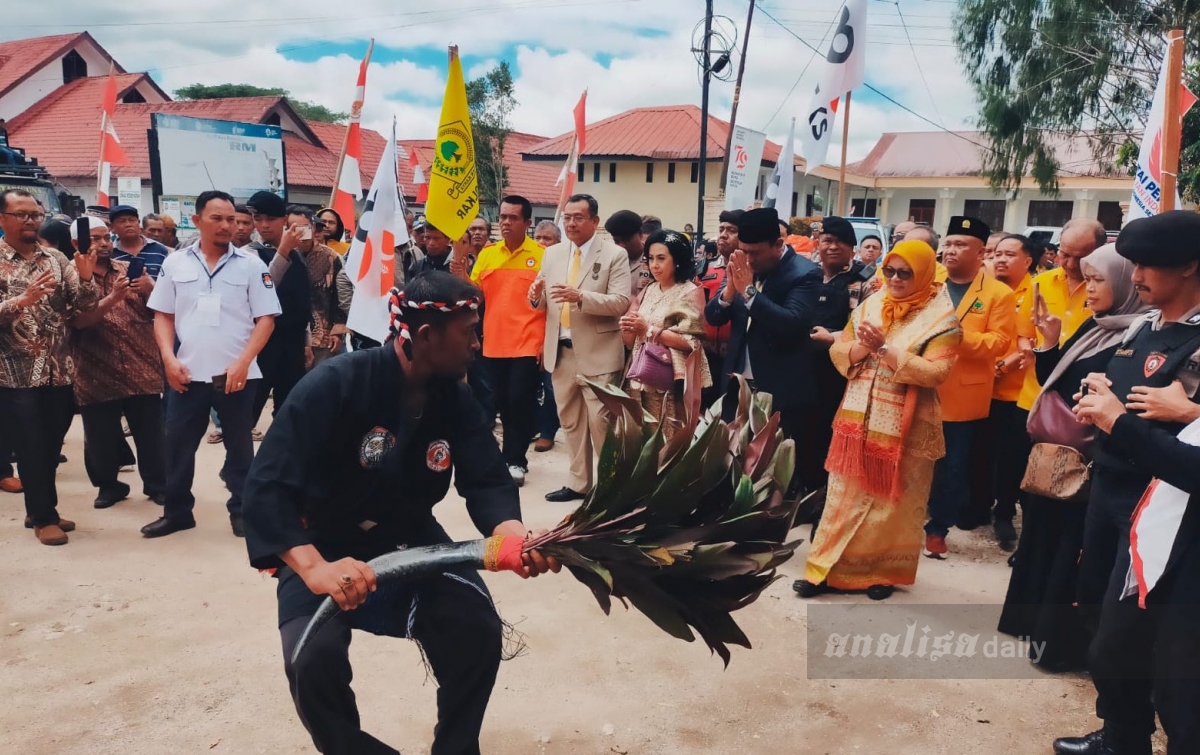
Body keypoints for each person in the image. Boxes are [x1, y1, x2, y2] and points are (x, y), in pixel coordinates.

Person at [242, 271, 558, 755]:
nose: (479, 342)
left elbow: (487, 478)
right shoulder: (334, 383)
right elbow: (266, 488)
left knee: (476, 629)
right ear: (427, 336)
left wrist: (513, 538)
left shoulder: (458, 397)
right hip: (323, 544)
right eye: (470, 331)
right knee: (311, 662)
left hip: (411, 539)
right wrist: (315, 568)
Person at [1052, 212, 1200, 755]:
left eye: (1147, 264)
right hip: (1110, 490)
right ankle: (1121, 734)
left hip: (1165, 508)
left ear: (1189, 265)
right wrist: (1096, 400)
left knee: (1152, 645)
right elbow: (1122, 397)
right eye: (1132, 263)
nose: (1135, 275)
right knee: (1103, 631)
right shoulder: (1143, 326)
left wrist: (1121, 418)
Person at [998, 243, 1148, 672]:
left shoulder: (1137, 333)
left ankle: (1057, 642)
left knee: (1071, 550)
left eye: (1099, 279)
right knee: (1042, 535)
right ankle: (1027, 621)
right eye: (1090, 278)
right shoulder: (1098, 325)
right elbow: (1059, 381)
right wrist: (1049, 344)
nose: (1090, 288)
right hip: (1060, 453)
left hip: (1090, 458)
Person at [796, 240, 962, 600]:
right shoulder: (873, 302)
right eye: (890, 271)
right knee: (841, 496)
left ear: (923, 274)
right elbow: (842, 351)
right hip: (857, 418)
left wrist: (886, 350)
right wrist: (865, 347)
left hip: (907, 424)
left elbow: (937, 372)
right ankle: (821, 571)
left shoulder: (942, 317)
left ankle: (880, 574)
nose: (896, 279)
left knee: (891, 502)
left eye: (905, 273)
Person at [142, 190, 280, 539]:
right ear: (197, 220)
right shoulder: (176, 263)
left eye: (231, 219)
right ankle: (176, 512)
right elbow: (163, 316)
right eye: (217, 218)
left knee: (240, 448)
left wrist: (243, 363)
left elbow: (266, 319)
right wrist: (169, 360)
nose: (226, 225)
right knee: (177, 446)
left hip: (235, 376)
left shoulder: (251, 265)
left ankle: (243, 510)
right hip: (186, 373)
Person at [0, 189, 99, 545]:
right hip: (14, 374)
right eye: (21, 214)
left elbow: (81, 307)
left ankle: (38, 508)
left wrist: (86, 279)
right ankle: (45, 518)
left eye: (35, 214)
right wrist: (19, 302)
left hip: (59, 369)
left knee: (51, 445)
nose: (30, 220)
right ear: (2, 219)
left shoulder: (56, 259)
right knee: (30, 445)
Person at [704, 206, 822, 493]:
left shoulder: (805, 274)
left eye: (755, 252)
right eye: (744, 251)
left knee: (774, 462)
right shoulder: (743, 265)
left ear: (779, 245)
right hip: (737, 380)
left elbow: (791, 324)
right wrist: (730, 291)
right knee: (734, 453)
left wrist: (748, 291)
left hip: (779, 382)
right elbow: (714, 316)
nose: (749, 258)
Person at [924, 216, 1016, 558]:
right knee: (911, 462)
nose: (950, 250)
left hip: (961, 394)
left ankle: (937, 530)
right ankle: (904, 524)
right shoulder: (927, 282)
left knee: (953, 466)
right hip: (918, 384)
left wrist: (959, 336)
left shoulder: (998, 294)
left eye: (960, 245)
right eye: (948, 243)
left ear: (981, 253)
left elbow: (999, 341)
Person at [529, 194, 630, 500]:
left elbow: (621, 302)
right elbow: (543, 300)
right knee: (571, 422)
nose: (571, 223)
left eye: (578, 218)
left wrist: (581, 297)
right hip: (561, 352)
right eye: (567, 218)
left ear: (595, 222)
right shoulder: (553, 254)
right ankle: (579, 483)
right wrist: (535, 295)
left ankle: (611, 486)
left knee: (601, 424)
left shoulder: (614, 255)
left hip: (598, 353)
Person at [67, 215, 166, 509]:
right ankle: (109, 486)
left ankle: (158, 484)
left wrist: (150, 288)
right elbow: (78, 321)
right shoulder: (70, 276)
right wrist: (113, 297)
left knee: (151, 434)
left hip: (141, 364)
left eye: (105, 238)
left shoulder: (128, 269)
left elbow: (160, 312)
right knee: (100, 438)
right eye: (94, 238)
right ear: (76, 243)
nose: (103, 244)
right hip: (96, 368)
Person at [962, 233, 1037, 547]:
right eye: (996, 254)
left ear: (1027, 260)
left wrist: (999, 368)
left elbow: (1029, 344)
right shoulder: (984, 289)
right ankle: (977, 507)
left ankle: (1004, 513)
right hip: (979, 388)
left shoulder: (1035, 290)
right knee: (978, 451)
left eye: (1009, 254)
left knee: (1009, 456)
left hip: (1015, 392)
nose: (1000, 259)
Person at [466, 195, 545, 486]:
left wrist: (543, 346)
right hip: (493, 343)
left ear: (527, 223)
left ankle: (516, 460)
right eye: (502, 217)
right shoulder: (487, 254)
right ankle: (502, 457)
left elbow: (548, 306)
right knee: (498, 402)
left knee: (519, 401)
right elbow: (475, 294)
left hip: (527, 342)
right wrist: (461, 265)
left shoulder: (542, 256)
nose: (506, 223)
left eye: (513, 218)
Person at [619, 229, 709, 440]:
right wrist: (628, 327)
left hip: (667, 377)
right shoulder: (649, 288)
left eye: (661, 258)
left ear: (677, 260)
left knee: (667, 435)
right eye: (650, 258)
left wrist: (648, 329)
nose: (654, 265)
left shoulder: (689, 291)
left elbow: (692, 342)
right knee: (639, 435)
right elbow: (630, 341)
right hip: (638, 371)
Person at [805, 216, 871, 504]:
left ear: (852, 248)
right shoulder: (806, 275)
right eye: (827, 240)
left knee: (830, 430)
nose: (832, 247)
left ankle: (828, 492)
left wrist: (831, 337)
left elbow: (867, 329)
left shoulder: (866, 281)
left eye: (840, 242)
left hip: (841, 368)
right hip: (803, 364)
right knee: (803, 426)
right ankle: (804, 487)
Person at [247, 193, 312, 431]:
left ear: (284, 220)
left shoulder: (296, 254)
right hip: (263, 344)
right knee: (249, 410)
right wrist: (282, 251)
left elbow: (302, 299)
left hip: (292, 343)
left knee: (288, 411)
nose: (264, 224)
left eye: (270, 218)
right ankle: (239, 466)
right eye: (258, 218)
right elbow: (264, 288)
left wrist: (306, 342)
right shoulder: (249, 254)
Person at [285, 207, 345, 370]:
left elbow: (340, 293)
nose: (301, 233)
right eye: (294, 228)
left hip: (324, 337)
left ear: (313, 227)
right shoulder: (282, 256)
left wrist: (338, 328)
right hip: (291, 335)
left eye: (305, 227)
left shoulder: (331, 257)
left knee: (323, 384)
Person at [698, 210, 740, 408]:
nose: (723, 235)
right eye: (721, 229)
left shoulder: (750, 271)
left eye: (732, 230)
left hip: (734, 354)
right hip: (705, 354)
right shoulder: (704, 269)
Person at [530, 220, 562, 453]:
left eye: (547, 239)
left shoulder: (563, 267)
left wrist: (543, 341)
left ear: (557, 242)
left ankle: (548, 432)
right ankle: (532, 424)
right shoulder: (527, 262)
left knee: (551, 388)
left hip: (550, 338)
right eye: (538, 238)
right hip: (523, 336)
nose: (541, 243)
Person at [110, 204, 172, 281]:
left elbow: (172, 282)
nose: (128, 224)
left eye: (132, 220)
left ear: (138, 223)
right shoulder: (109, 253)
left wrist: (150, 287)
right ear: (112, 227)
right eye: (121, 221)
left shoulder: (161, 250)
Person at [605, 210, 651, 297]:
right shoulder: (610, 260)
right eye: (617, 241)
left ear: (640, 235)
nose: (622, 246)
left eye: (627, 240)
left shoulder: (653, 260)